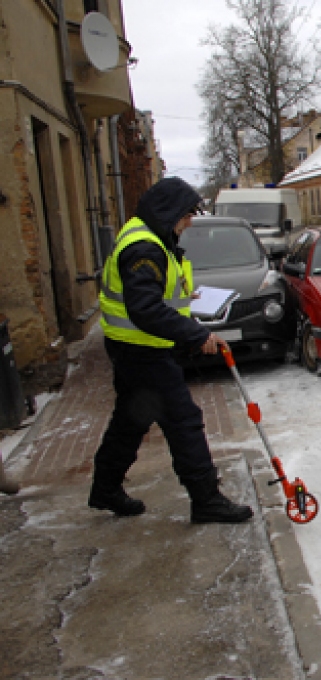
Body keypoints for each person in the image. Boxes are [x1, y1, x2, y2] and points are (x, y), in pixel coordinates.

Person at [89, 177, 253, 524]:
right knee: (183, 421)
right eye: (187, 214)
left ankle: (105, 488)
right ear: (170, 212)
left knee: (131, 420)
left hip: (135, 349)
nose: (190, 222)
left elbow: (149, 296)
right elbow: (144, 308)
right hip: (143, 353)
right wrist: (194, 334)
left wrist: (184, 298)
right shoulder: (145, 248)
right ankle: (206, 500)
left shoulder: (147, 236)